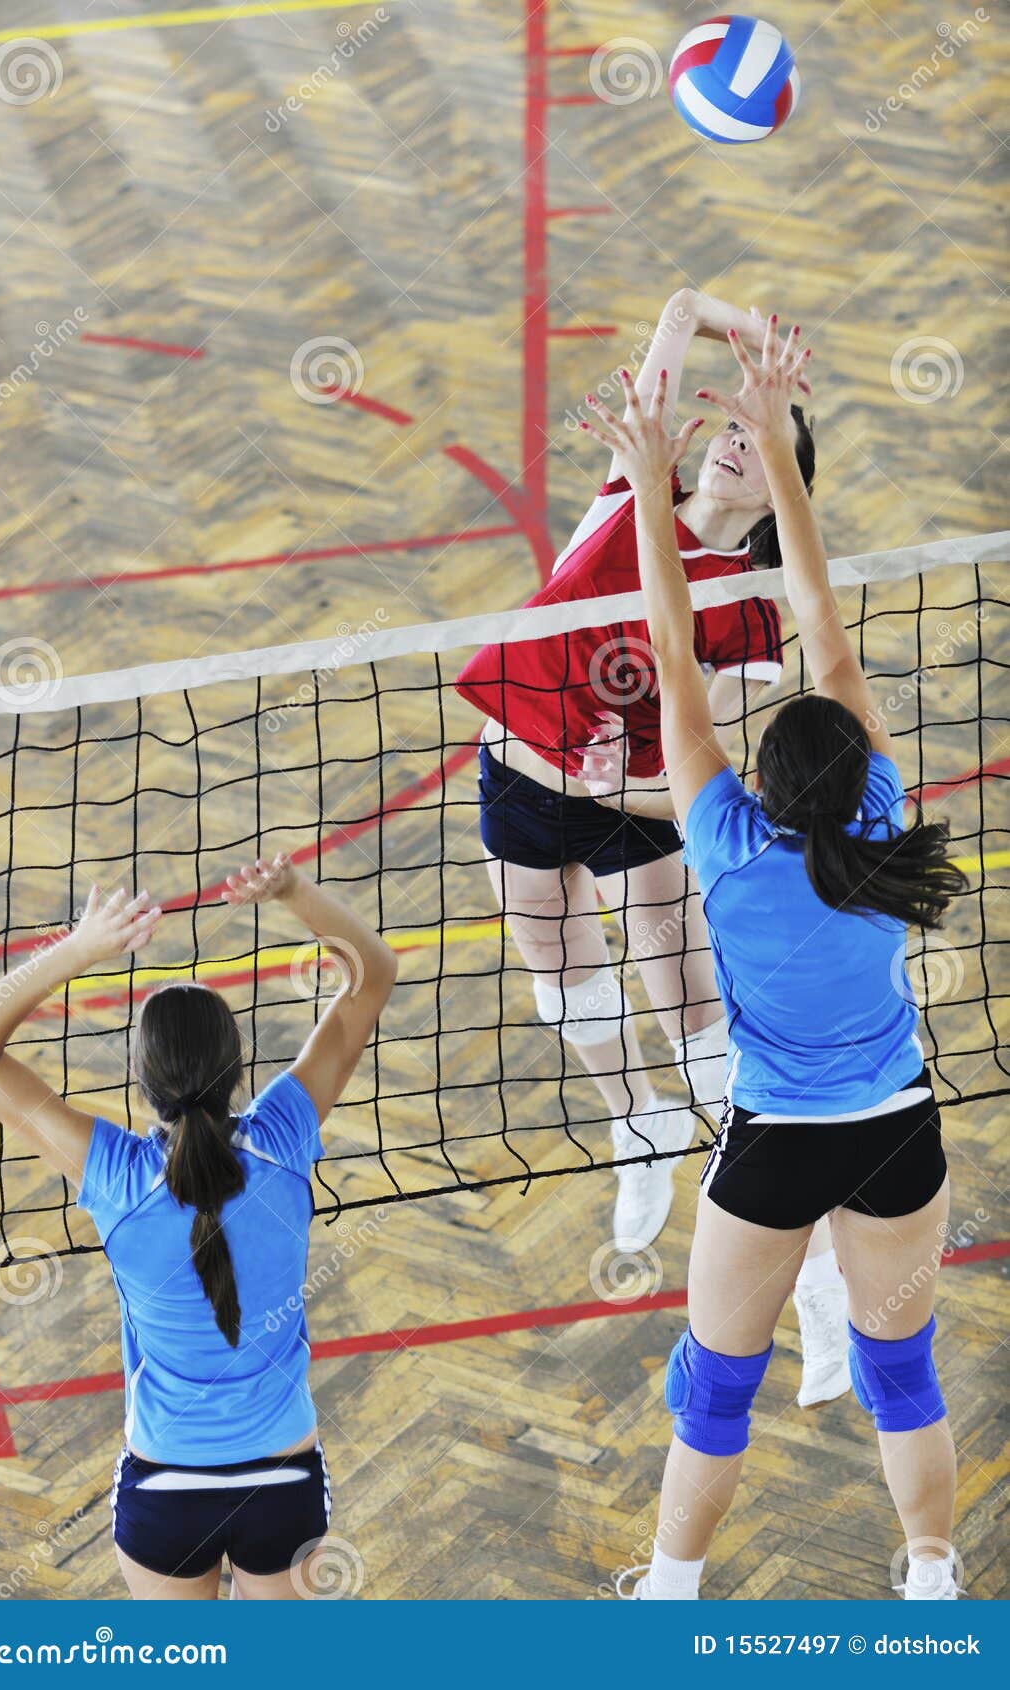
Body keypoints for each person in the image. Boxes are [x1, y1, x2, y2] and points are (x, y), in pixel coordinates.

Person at [579, 323, 966, 1602]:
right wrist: (783, 449)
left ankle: (673, 1589)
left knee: (712, 1389)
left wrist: (646, 484)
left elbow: (672, 656)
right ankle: (929, 1574)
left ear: (762, 784)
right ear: (860, 772)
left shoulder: (725, 849)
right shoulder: (881, 824)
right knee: (899, 1375)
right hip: (898, 1135)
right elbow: (818, 619)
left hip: (778, 1142)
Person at [456, 290, 847, 1408]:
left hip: (633, 813)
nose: (727, 441)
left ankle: (811, 1276)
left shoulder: (754, 617)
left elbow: (697, 757)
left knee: (693, 1019)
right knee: (562, 992)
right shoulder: (627, 496)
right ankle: (638, 1126)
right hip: (513, 786)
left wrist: (610, 781)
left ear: (777, 480)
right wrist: (744, 330)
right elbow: (674, 313)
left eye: (753, 440)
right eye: (721, 429)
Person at [0, 854, 397, 1601]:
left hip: (165, 1491)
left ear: (143, 1083)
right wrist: (290, 891)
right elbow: (370, 974)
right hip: (280, 1480)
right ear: (238, 1067)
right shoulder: (283, 1140)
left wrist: (80, 950)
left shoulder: (115, 1176)